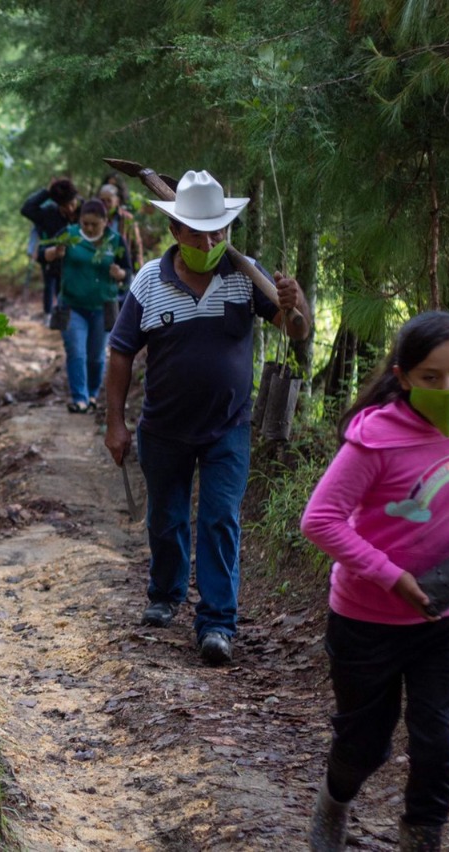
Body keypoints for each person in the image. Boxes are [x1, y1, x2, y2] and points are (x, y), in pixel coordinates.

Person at [299, 310, 449, 851]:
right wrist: (391, 576)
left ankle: (420, 840)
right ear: (403, 377)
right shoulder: (375, 437)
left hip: (447, 616)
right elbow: (320, 520)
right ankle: (334, 805)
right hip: (365, 619)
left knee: (439, 743)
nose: (448, 387)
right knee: (364, 746)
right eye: (431, 377)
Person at [103, 169, 311, 665]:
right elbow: (121, 353)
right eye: (198, 232)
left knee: (219, 518)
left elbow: (295, 329)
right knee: (167, 516)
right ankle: (165, 593)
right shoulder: (149, 282)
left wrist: (294, 300)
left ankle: (217, 622)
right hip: (164, 428)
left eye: (218, 231)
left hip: (228, 428)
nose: (210, 240)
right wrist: (115, 422)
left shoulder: (246, 277)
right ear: (176, 231)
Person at [41, 199, 127, 413]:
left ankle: (92, 395)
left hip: (103, 306)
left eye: (93, 224)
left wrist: (120, 274)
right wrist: (55, 253)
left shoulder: (115, 241)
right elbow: (43, 255)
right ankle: (79, 397)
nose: (88, 228)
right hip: (71, 305)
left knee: (97, 356)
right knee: (76, 352)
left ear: (105, 222)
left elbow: (128, 271)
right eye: (84, 223)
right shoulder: (70, 234)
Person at [21, 178, 80, 316]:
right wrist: (47, 192)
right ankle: (50, 314)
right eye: (65, 206)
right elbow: (26, 209)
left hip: (76, 261)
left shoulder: (84, 211)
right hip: (51, 258)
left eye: (72, 204)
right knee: (51, 285)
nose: (70, 209)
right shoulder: (49, 213)